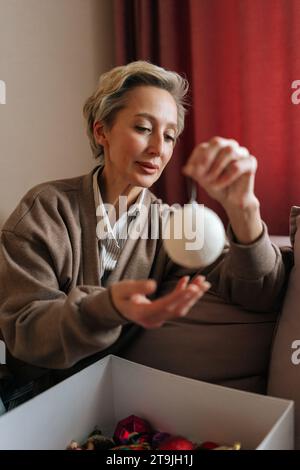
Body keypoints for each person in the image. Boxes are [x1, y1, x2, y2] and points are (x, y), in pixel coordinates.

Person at [0, 61, 289, 410]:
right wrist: (108, 308)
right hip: (26, 402)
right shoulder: (47, 208)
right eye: (142, 128)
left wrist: (245, 209)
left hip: (108, 406)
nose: (158, 148)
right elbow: (27, 334)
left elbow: (260, 292)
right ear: (101, 132)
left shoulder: (173, 226)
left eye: (169, 136)